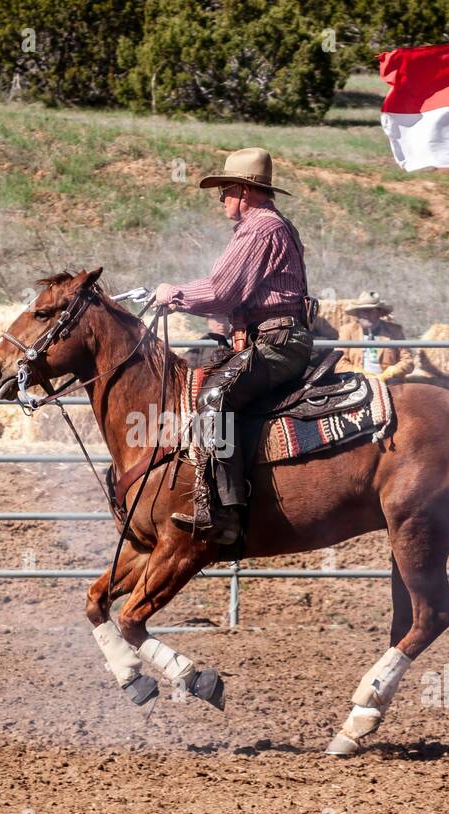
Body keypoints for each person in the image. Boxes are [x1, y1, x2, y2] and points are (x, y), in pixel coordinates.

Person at [154, 147, 312, 545]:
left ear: (244, 191)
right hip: (271, 339)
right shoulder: (268, 226)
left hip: (278, 343)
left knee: (213, 398)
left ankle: (227, 512)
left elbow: (222, 292)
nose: (221, 197)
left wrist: (174, 294)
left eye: (224, 189)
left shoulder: (261, 228)